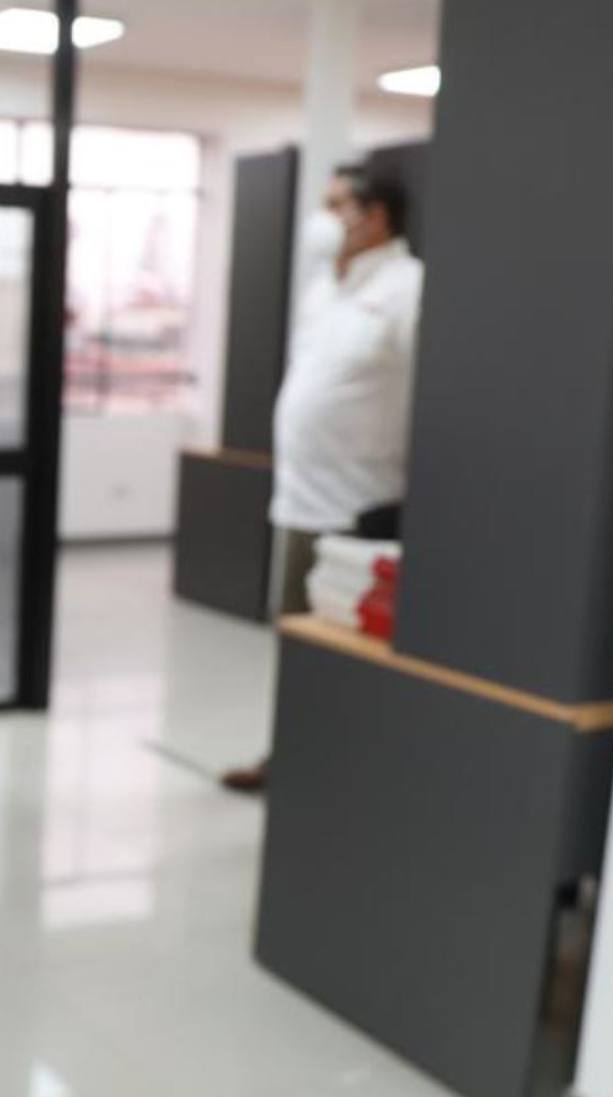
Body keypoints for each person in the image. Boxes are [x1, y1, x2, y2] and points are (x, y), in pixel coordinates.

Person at [223, 159, 425, 795]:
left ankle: (342, 776)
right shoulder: (323, 290)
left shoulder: (408, 287)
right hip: (298, 502)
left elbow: (428, 395)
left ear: (376, 217)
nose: (323, 218)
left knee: (348, 658)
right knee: (296, 647)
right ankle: (294, 758)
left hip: (360, 506)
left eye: (336, 204)